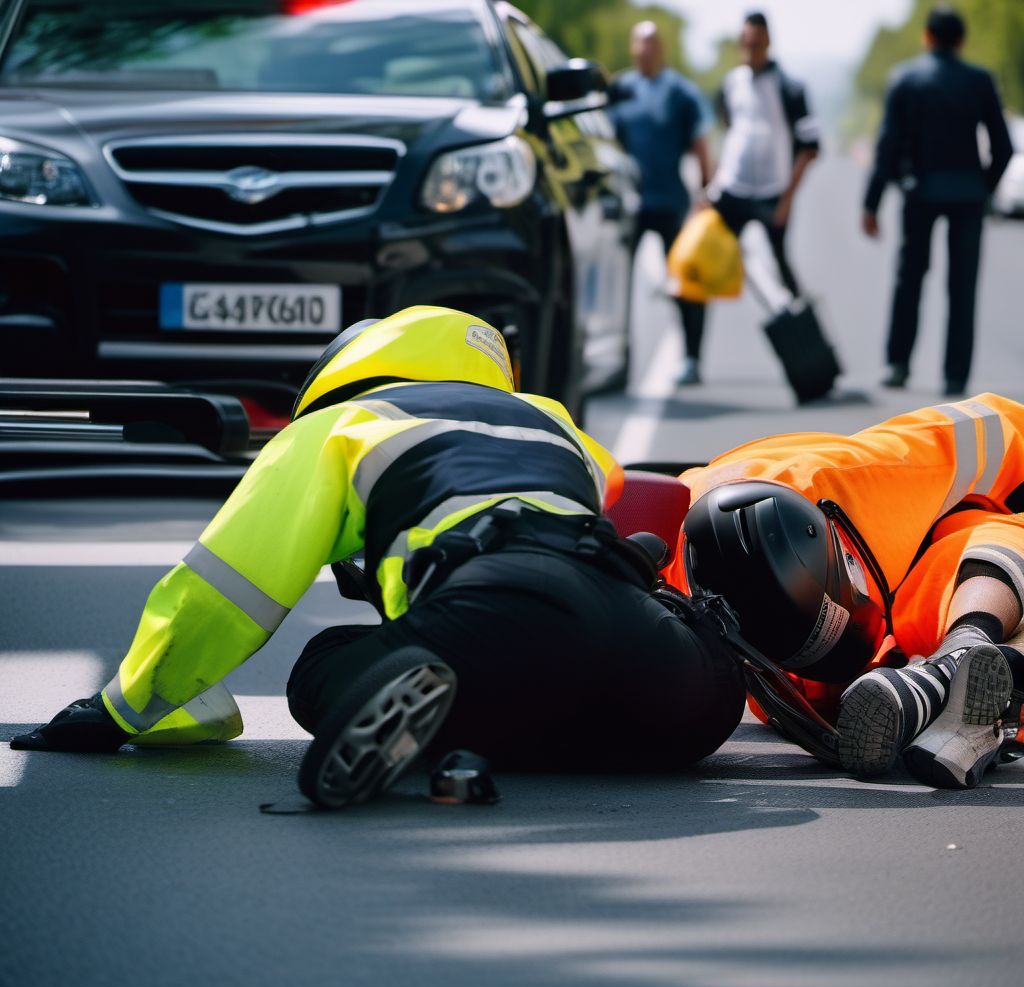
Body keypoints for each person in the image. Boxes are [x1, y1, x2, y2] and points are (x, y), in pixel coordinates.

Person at [11, 306, 747, 807]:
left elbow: (227, 584)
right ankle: (575, 716)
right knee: (622, 665)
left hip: (491, 608)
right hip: (656, 664)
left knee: (327, 663)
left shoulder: (342, 426)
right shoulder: (549, 419)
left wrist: (121, 708)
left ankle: (457, 726)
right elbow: (624, 492)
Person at [670, 392, 1024, 789]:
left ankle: (947, 669)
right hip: (792, 667)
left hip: (942, 550)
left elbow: (999, 426)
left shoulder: (879, 472)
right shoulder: (679, 586)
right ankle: (946, 677)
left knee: (994, 535)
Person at [864, 5, 1013, 397]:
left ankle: (898, 364)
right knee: (962, 286)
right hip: (967, 194)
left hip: (920, 191)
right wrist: (985, 187)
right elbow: (1004, 146)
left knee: (909, 279)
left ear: (926, 37)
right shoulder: (980, 81)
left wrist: (873, 201)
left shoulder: (905, 79)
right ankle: (955, 376)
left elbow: (887, 146)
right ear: (961, 41)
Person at [610, 20, 712, 386]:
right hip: (630, 207)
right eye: (638, 45)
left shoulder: (680, 93)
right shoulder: (620, 89)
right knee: (618, 288)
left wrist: (706, 193)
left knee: (686, 284)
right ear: (632, 48)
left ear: (660, 49)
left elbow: (701, 143)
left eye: (650, 45)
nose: (644, 51)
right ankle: (615, 363)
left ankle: (693, 357)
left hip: (671, 204)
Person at [709, 10, 820, 299]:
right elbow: (729, 133)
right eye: (745, 43)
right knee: (706, 257)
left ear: (768, 42)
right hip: (733, 188)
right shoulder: (731, 83)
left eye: (756, 44)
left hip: (772, 193)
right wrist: (712, 184)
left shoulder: (789, 88)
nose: (750, 50)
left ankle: (805, 338)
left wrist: (787, 200)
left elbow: (810, 149)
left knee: (780, 267)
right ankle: (690, 340)